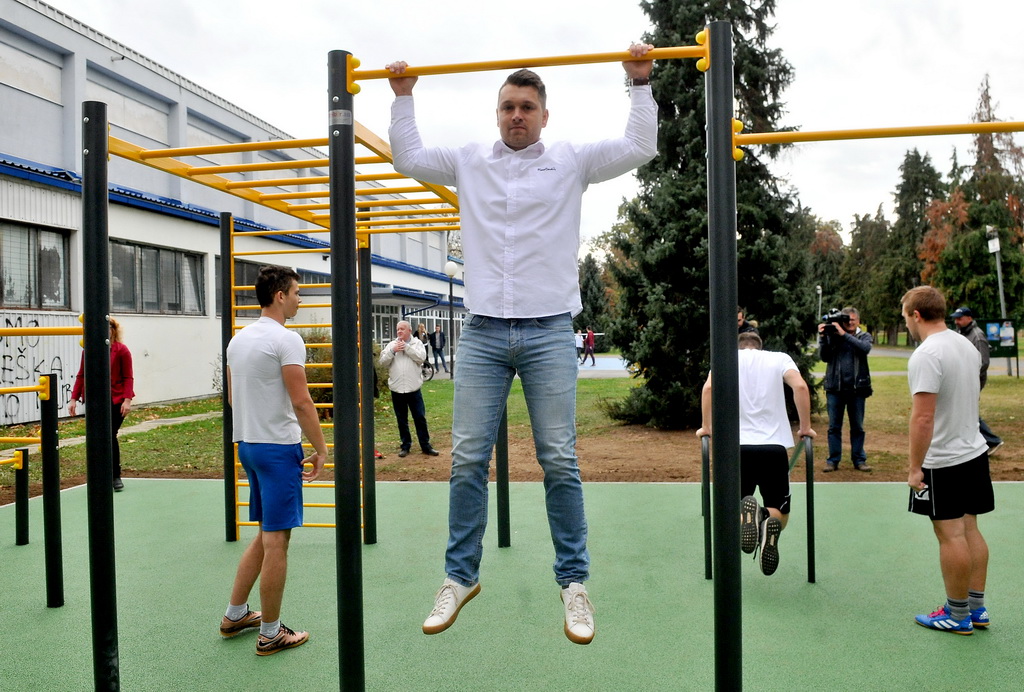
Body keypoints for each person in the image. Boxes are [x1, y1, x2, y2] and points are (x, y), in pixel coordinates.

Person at [387, 41, 657, 645]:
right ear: (497, 112)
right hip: (482, 332)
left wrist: (638, 82)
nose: (516, 115)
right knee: (466, 460)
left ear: (544, 114)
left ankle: (574, 585)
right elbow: (406, 156)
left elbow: (641, 145)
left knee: (559, 459)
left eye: (527, 106)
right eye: (508, 105)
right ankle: (459, 577)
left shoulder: (571, 159)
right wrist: (403, 97)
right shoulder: (468, 160)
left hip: (548, 331)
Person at [220, 265, 328, 655]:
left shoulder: (238, 340)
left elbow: (233, 399)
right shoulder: (286, 339)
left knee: (267, 534)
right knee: (278, 540)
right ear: (280, 295)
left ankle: (235, 615)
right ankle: (270, 632)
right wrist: (321, 448)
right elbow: (301, 401)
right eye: (297, 292)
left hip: (247, 445)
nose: (300, 299)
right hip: (278, 449)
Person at [901, 286, 993, 635]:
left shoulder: (927, 354)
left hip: (944, 460)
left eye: (906, 317)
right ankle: (975, 608)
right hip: (973, 451)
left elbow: (923, 418)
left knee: (950, 534)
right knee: (970, 529)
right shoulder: (965, 344)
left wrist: (914, 467)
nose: (907, 323)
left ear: (916, 315)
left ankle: (957, 615)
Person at [696, 332, 815, 576]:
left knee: (733, 506)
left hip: (736, 447)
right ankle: (764, 518)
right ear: (759, 347)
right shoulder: (779, 358)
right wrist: (805, 427)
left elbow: (708, 389)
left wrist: (707, 427)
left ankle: (751, 516)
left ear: (738, 346)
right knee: (780, 511)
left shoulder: (725, 359)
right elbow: (800, 386)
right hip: (773, 447)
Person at [69, 318, 135, 492]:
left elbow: (128, 377)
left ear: (113, 330)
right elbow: (81, 375)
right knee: (96, 439)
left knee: (109, 435)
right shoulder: (89, 350)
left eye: (107, 328)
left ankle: (115, 476)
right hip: (95, 401)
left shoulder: (122, 350)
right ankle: (99, 476)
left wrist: (127, 400)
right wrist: (73, 398)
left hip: (116, 400)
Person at [817, 306, 873, 472]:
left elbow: (865, 349)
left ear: (858, 321)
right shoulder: (832, 335)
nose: (849, 323)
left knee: (858, 427)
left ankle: (859, 459)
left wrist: (844, 335)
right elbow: (824, 357)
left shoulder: (864, 336)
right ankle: (833, 460)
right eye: (846, 320)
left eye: (852, 320)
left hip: (857, 389)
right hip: (835, 388)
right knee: (834, 427)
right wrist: (823, 337)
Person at [379, 320, 440, 458]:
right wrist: (393, 351)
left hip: (414, 389)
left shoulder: (417, 343)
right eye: (397, 329)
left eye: (402, 329)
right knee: (401, 419)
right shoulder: (391, 345)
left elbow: (421, 358)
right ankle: (405, 446)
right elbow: (382, 362)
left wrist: (406, 348)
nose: (399, 331)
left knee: (419, 418)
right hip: (397, 389)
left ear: (409, 331)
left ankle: (426, 445)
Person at [952, 307, 1003, 455]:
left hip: (973, 379)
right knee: (965, 409)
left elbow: (984, 362)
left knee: (967, 409)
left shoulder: (977, 336)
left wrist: (968, 376)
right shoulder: (961, 333)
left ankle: (992, 441)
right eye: (955, 318)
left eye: (959, 318)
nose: (957, 321)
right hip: (963, 378)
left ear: (969, 318)